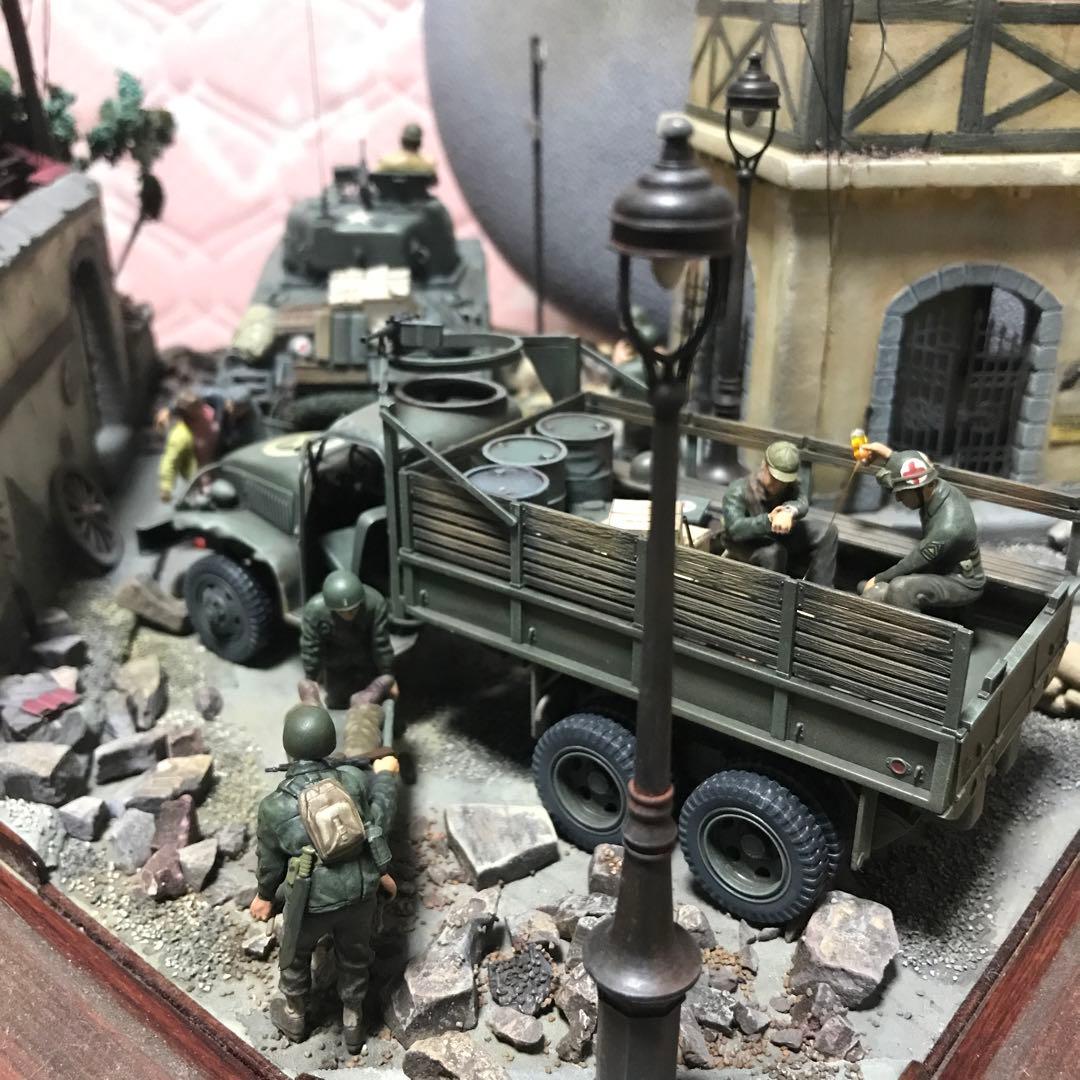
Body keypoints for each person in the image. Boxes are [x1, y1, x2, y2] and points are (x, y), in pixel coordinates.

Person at [249, 701, 399, 1051]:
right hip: (360, 892)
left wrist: (265, 896)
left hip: (310, 900)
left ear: (288, 747)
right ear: (329, 742)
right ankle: (353, 1020)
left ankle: (295, 1013)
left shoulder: (274, 806)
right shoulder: (353, 782)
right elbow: (375, 824)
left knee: (295, 955)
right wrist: (386, 777)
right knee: (355, 957)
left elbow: (269, 863)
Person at [856, 443, 985, 611]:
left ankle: (906, 628)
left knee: (900, 588)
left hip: (961, 581)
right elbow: (914, 465)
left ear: (920, 488)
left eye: (902, 493)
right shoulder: (932, 486)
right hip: (939, 567)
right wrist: (888, 454)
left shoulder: (949, 527)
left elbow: (915, 561)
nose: (898, 499)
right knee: (874, 592)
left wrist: (879, 579)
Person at [719, 440, 838, 586]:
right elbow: (735, 529)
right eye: (774, 478)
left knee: (827, 531)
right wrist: (769, 520)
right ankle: (773, 597)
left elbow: (801, 502)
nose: (779, 485)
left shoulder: (790, 486)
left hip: (779, 534)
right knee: (774, 553)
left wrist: (788, 511)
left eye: (783, 481)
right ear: (764, 466)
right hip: (747, 540)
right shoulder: (738, 491)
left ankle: (820, 592)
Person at [300, 570, 397, 709]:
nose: (349, 614)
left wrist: (388, 674)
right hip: (336, 664)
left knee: (372, 706)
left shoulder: (375, 604)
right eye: (342, 612)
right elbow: (311, 648)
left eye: (353, 609)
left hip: (366, 659)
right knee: (336, 703)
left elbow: (381, 643)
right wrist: (310, 679)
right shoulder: (315, 611)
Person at [158, 391, 220, 502]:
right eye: (194, 407)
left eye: (198, 404)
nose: (199, 408)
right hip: (201, 475)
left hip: (221, 463)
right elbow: (170, 460)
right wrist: (166, 488)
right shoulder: (180, 435)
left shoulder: (210, 413)